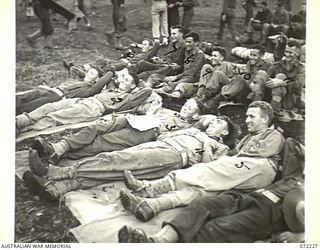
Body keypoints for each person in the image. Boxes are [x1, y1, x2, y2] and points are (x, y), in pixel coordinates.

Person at [118, 101, 285, 222]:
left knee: (213, 168)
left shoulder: (273, 134)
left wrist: (227, 157)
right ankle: (152, 205)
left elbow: (258, 152)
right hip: (249, 174)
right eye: (247, 116)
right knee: (207, 191)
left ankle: (149, 187)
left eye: (252, 116)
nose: (247, 120)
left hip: (261, 168)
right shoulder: (248, 137)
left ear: (264, 119)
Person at [118, 137, 304, 243]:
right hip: (252, 196)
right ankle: (158, 241)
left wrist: (300, 236)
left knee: (216, 228)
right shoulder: (295, 176)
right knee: (202, 205)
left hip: (273, 215)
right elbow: (291, 144)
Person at [23, 115, 237, 200]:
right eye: (214, 119)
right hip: (160, 145)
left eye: (219, 123)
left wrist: (207, 144)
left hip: (174, 156)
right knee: (113, 164)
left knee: (114, 162)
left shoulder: (220, 147)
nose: (213, 123)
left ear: (225, 133)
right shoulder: (196, 131)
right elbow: (164, 134)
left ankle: (57, 172)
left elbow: (210, 168)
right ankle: (56, 189)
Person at [31, 98, 206, 163]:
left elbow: (165, 137)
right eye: (186, 104)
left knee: (103, 142)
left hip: (148, 132)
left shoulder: (188, 128)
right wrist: (152, 111)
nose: (185, 108)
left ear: (196, 115)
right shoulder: (170, 112)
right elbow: (145, 106)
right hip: (136, 120)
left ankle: (59, 154)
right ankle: (60, 147)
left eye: (190, 108)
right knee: (97, 127)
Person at [16, 69, 152, 133]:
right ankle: (21, 120)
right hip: (81, 100)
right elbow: (109, 77)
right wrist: (120, 75)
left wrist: (139, 85)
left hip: (94, 108)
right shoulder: (112, 88)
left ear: (133, 86)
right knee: (50, 106)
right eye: (123, 78)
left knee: (56, 116)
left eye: (126, 80)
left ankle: (24, 128)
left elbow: (147, 92)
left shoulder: (128, 97)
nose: (122, 81)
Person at [16, 67, 107, 115]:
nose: (87, 74)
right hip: (51, 90)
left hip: (57, 97)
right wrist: (87, 74)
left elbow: (101, 82)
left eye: (92, 73)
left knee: (27, 107)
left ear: (97, 79)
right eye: (87, 72)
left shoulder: (89, 89)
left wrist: (111, 71)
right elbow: (73, 68)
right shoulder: (77, 80)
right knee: (24, 96)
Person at [164, 46, 233, 100]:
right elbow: (203, 80)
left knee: (207, 67)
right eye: (212, 56)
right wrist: (196, 84)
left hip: (213, 92)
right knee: (182, 85)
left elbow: (228, 83)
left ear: (222, 58)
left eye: (215, 56)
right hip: (202, 89)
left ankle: (199, 97)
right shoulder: (212, 67)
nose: (212, 58)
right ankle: (175, 96)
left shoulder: (227, 66)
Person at [266, 40, 305, 115]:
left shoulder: (301, 68)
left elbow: (298, 85)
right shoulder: (279, 64)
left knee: (280, 76)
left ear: (297, 53)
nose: (287, 54)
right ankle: (255, 106)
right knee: (262, 74)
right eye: (286, 52)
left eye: (290, 52)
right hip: (273, 96)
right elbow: (267, 75)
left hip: (290, 99)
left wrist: (282, 83)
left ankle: (274, 112)